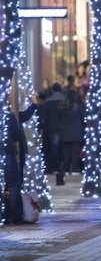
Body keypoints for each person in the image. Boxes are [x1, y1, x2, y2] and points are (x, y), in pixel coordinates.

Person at [3, 87, 39, 224]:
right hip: (9, 154)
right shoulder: (8, 116)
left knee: (9, 185)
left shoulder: (10, 115)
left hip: (8, 154)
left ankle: (7, 214)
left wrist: (33, 105)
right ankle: (15, 215)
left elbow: (22, 116)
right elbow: (17, 134)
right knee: (14, 184)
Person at [57, 90, 85, 181]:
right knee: (74, 153)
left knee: (65, 153)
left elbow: (59, 119)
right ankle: (74, 169)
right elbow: (83, 119)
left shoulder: (62, 106)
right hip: (76, 132)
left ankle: (65, 169)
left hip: (65, 132)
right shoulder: (79, 107)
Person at [39, 82, 65, 175]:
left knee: (52, 149)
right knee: (61, 149)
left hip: (50, 128)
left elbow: (44, 116)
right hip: (62, 128)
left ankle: (53, 167)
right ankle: (61, 167)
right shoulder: (65, 100)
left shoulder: (48, 102)